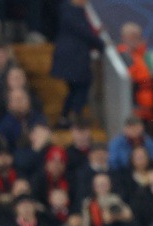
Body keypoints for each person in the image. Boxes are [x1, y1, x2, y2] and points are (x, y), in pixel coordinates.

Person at [50, 0, 105, 129]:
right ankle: (74, 116)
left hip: (74, 58)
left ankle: (65, 118)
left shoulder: (72, 11)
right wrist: (101, 45)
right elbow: (83, 31)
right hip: (72, 58)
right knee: (82, 85)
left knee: (76, 88)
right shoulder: (70, 10)